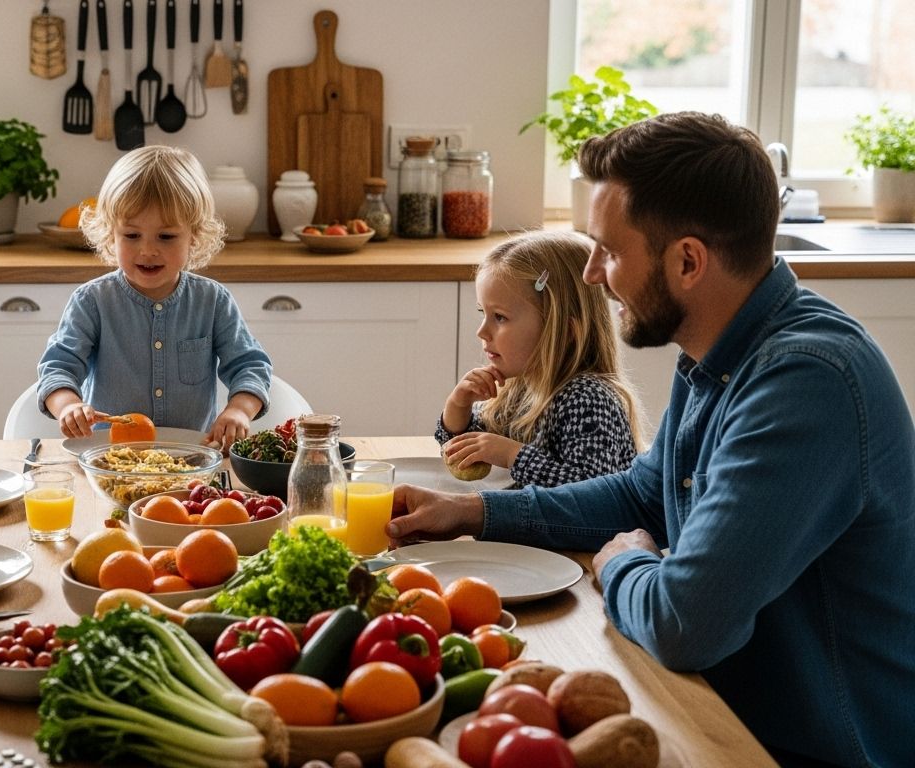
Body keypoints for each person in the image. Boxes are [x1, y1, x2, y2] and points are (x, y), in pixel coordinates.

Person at [389, 112, 915, 767]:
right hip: (725, 712)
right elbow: (644, 494)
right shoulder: (722, 354)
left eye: (608, 250)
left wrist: (620, 566)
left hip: (805, 749)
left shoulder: (805, 384)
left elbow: (682, 624)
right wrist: (474, 512)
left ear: (688, 261)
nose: (591, 275)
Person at [37, 145, 272, 448]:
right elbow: (58, 368)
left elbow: (250, 366)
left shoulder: (213, 301)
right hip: (112, 460)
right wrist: (68, 406)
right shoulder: (92, 301)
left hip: (191, 462)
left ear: (195, 236)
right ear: (111, 234)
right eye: (132, 236)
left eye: (166, 236)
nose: (147, 250)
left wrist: (239, 410)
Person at [436, 230, 642, 487]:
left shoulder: (589, 399)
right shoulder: (517, 387)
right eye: (483, 313)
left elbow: (590, 491)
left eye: (500, 317)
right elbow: (467, 456)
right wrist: (458, 406)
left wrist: (512, 454)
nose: (482, 331)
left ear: (564, 331)